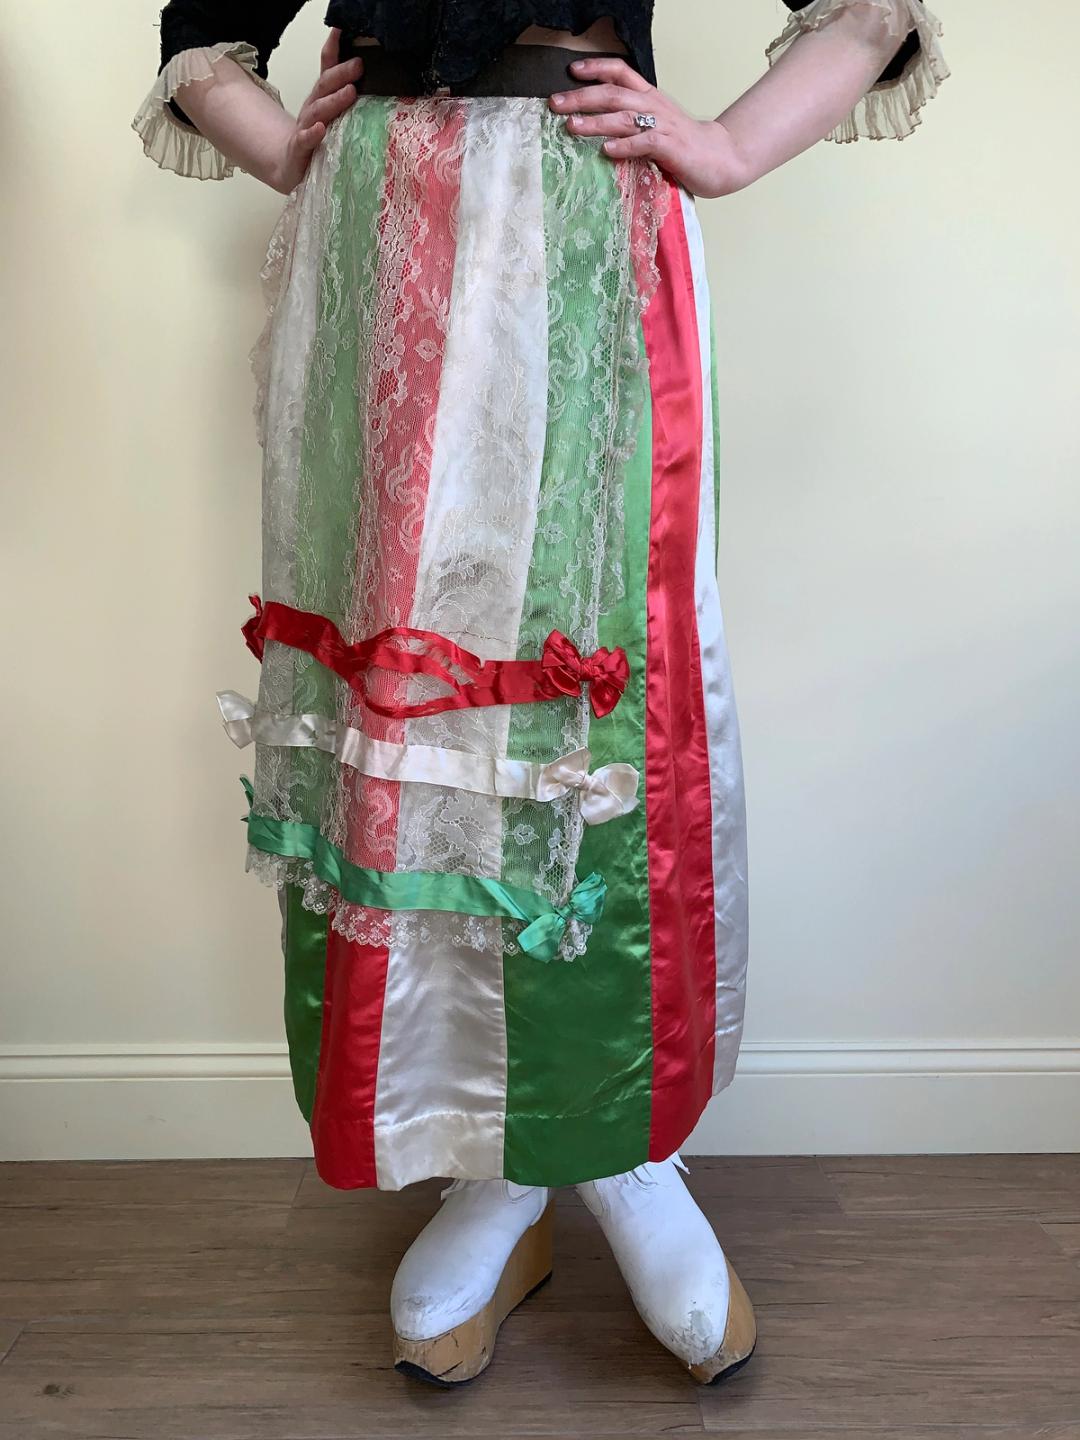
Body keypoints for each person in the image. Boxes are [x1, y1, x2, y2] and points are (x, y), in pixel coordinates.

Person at [132, 0, 948, 1388]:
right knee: (412, 706)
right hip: (381, 244)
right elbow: (203, 26)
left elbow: (871, 12)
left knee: (597, 691)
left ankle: (621, 1147)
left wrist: (727, 146)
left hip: (584, 231)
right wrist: (282, 144)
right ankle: (491, 1170)